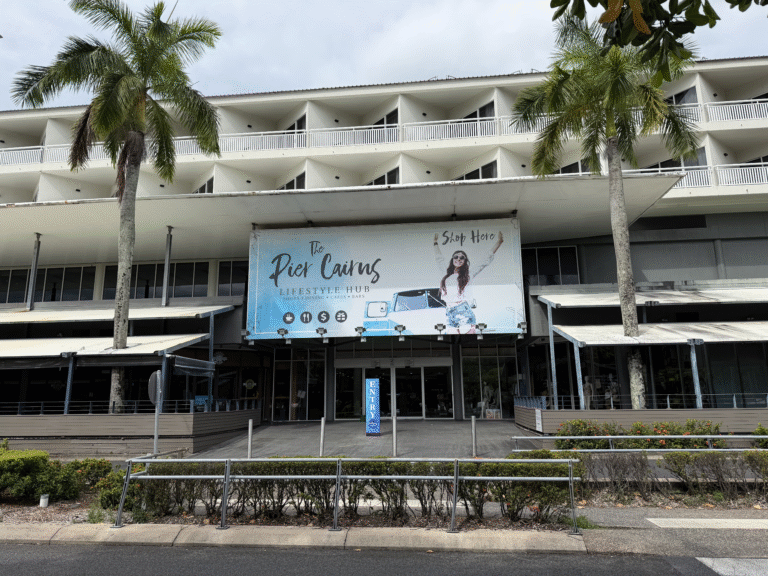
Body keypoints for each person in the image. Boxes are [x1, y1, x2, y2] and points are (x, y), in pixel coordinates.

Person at [433, 231, 504, 334]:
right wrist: (435, 243)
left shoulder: (468, 275)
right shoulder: (446, 274)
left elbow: (484, 261)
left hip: (462, 310)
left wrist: (499, 242)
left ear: (465, 261)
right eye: (456, 257)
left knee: (467, 339)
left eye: (462, 257)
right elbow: (439, 259)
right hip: (449, 311)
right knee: (451, 338)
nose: (458, 259)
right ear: (452, 259)